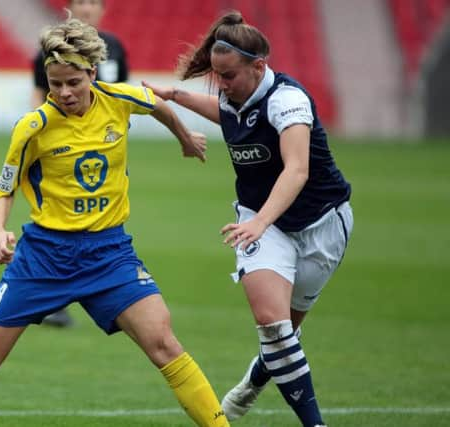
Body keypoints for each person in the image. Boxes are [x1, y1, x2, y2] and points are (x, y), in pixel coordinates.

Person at [0, 17, 230, 427]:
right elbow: (3, 187)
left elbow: (157, 104)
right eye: (55, 84)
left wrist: (185, 138)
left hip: (109, 253)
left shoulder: (120, 98)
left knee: (164, 344)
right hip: (45, 255)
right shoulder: (33, 128)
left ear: (91, 72)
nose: (65, 93)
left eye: (73, 82)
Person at [143, 11, 353, 427]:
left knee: (285, 337)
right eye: (217, 76)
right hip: (261, 221)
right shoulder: (234, 93)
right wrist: (175, 97)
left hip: (322, 224)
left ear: (259, 67)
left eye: (229, 75)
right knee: (273, 327)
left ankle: (256, 379)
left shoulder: (288, 101)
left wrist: (262, 221)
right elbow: (224, 111)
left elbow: (297, 170)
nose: (221, 84)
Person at [32, 0, 128, 327]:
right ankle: (52, 297)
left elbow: (122, 97)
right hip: (60, 148)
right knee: (56, 217)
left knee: (100, 219)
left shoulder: (115, 47)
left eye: (92, 3)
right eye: (80, 3)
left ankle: (99, 288)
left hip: (103, 147)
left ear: (103, 10)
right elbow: (37, 96)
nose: (86, 9)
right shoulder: (52, 54)